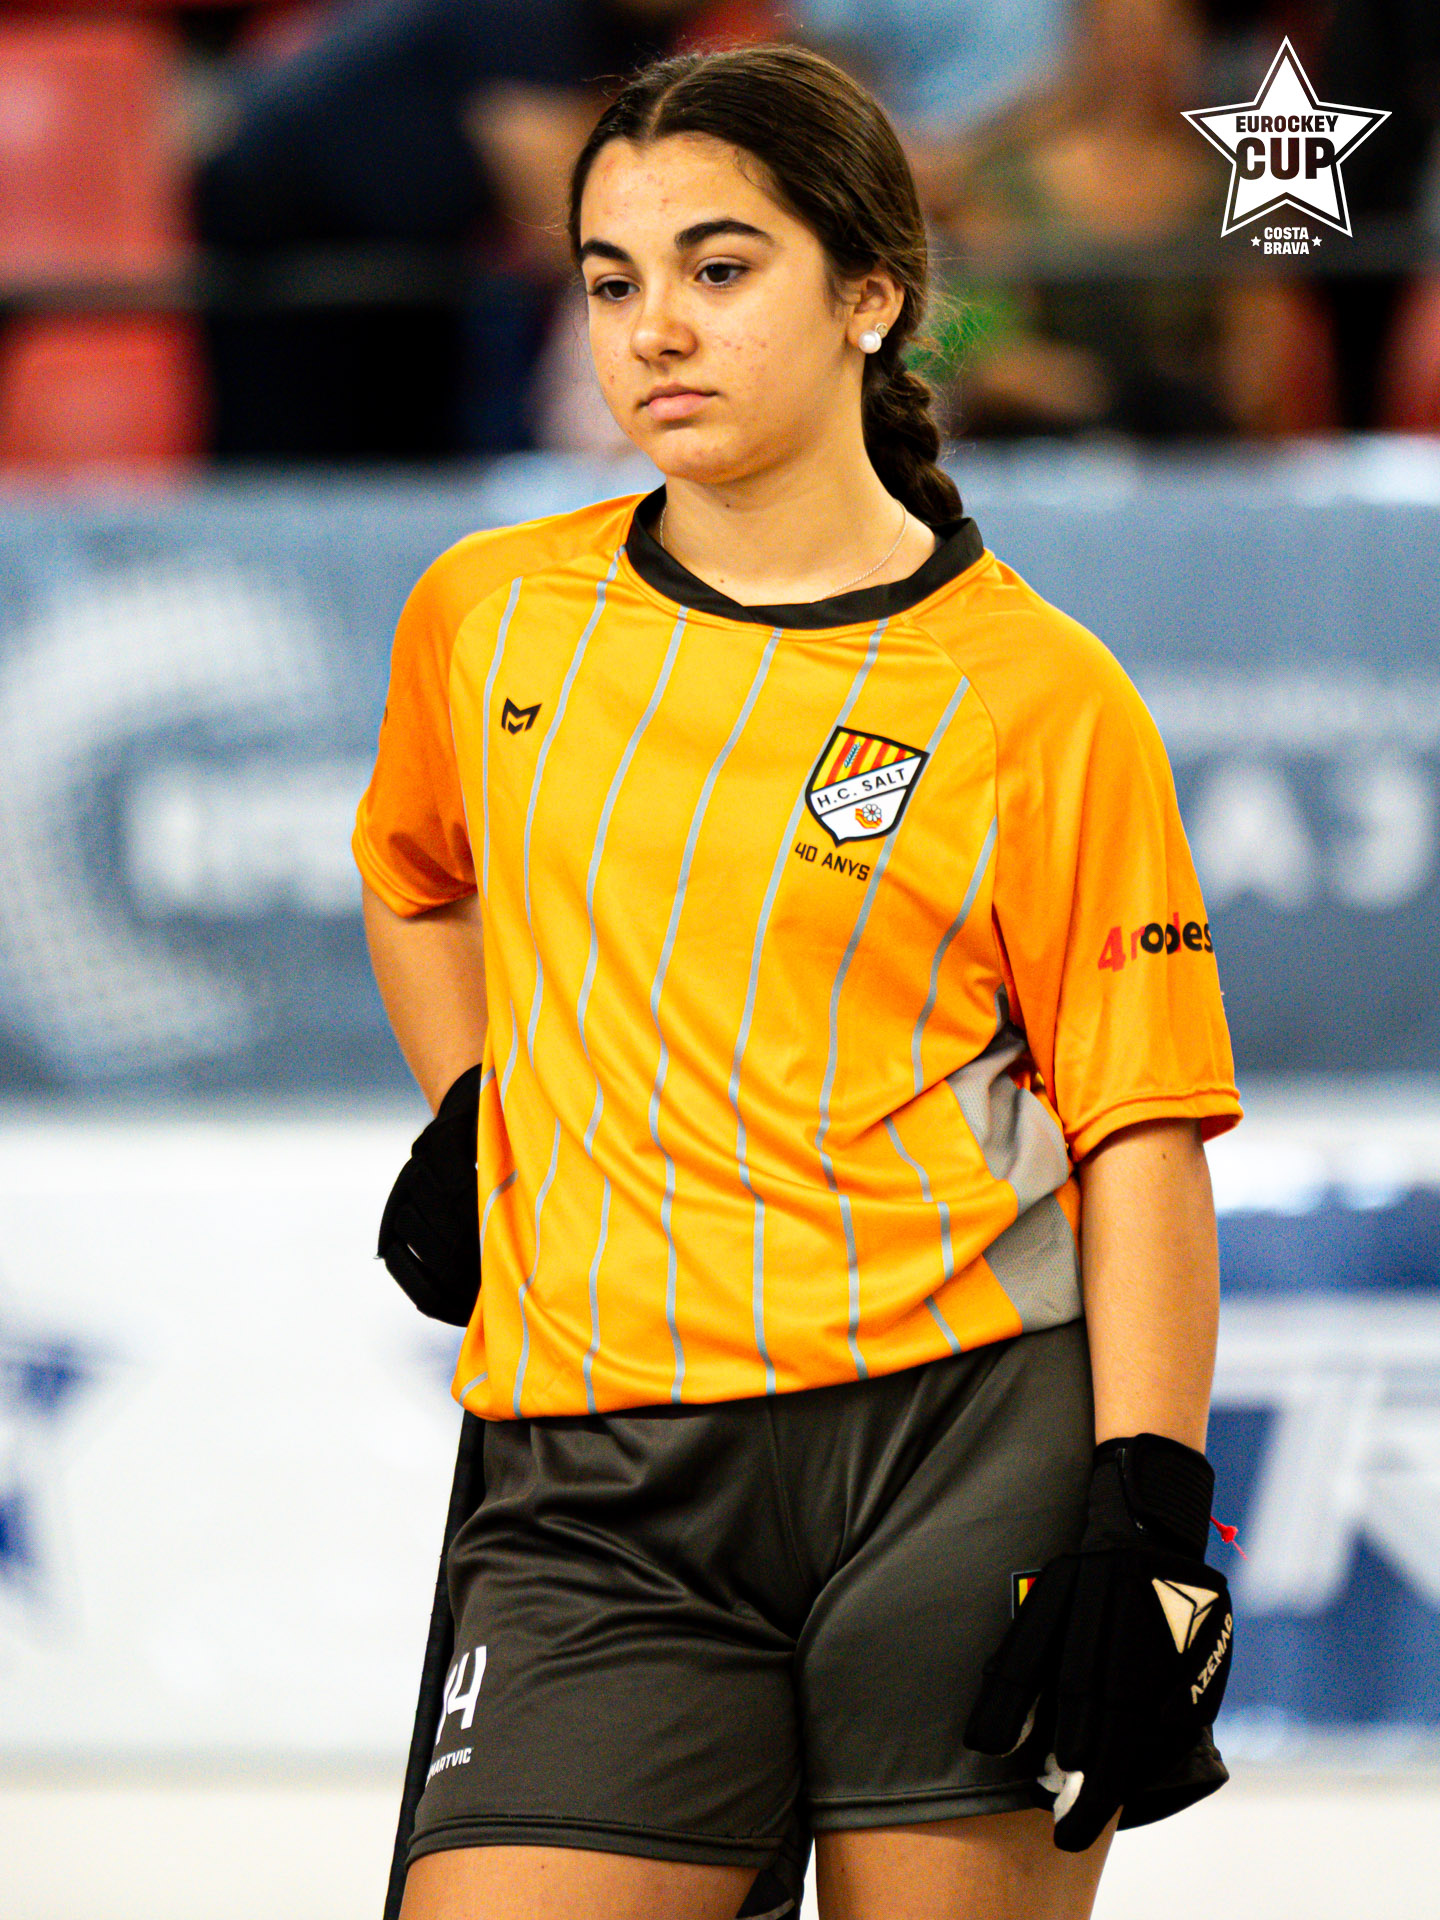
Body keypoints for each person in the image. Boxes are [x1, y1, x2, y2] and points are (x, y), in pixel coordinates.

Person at [353, 40, 1242, 1920]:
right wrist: (473, 1107)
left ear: (871, 296)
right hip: (594, 1480)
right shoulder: (488, 614)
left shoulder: (1042, 695)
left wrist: (1154, 1514)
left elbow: (1141, 1135)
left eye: (720, 267)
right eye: (613, 281)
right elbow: (417, 882)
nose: (656, 329)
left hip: (966, 1449)